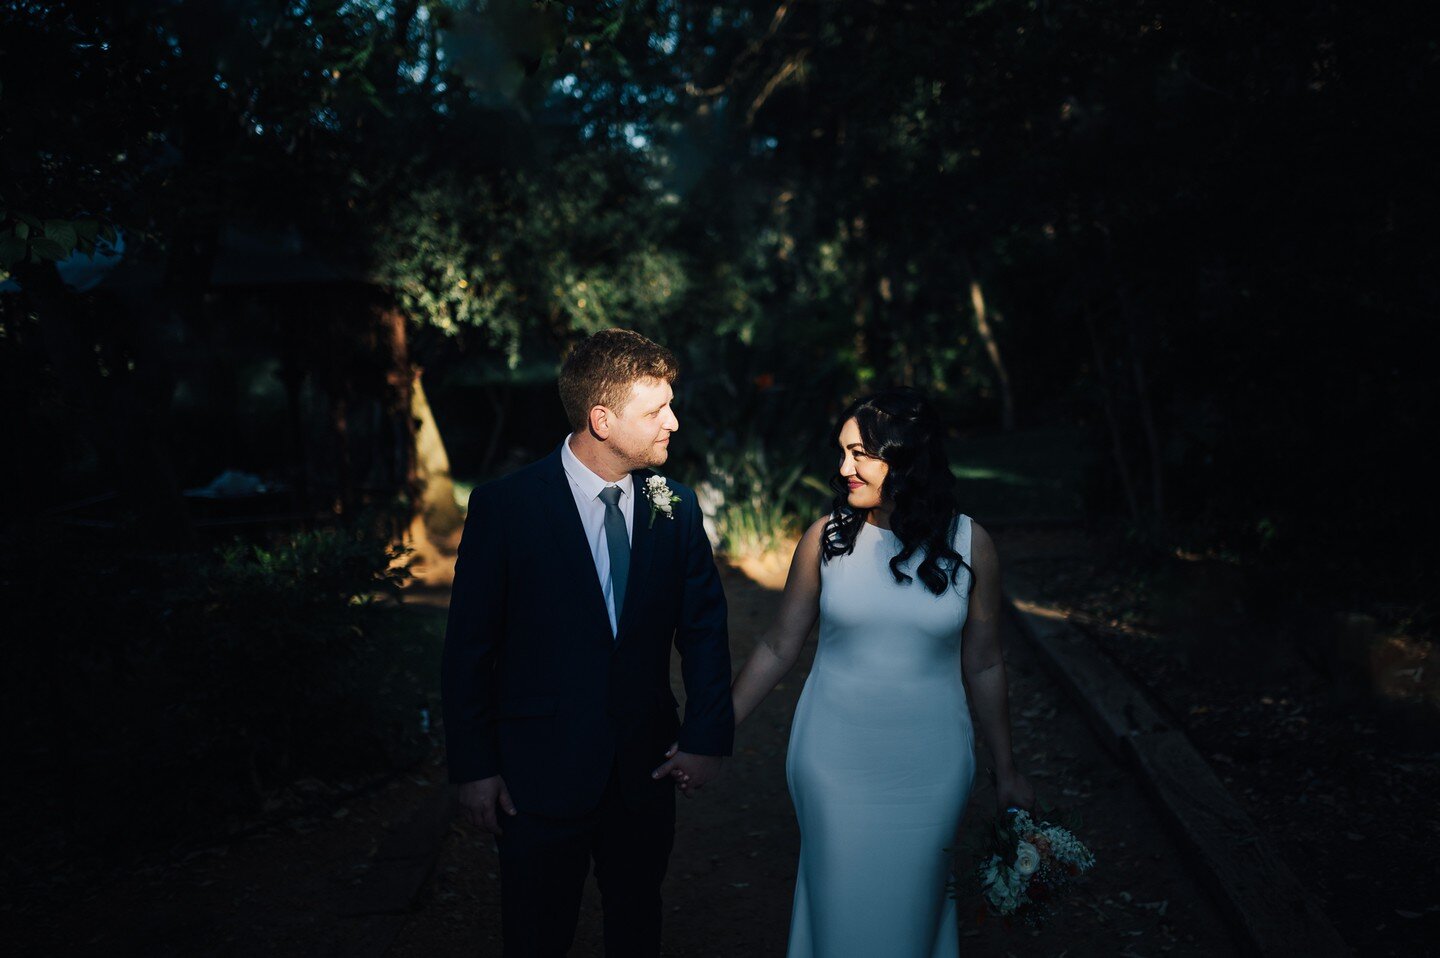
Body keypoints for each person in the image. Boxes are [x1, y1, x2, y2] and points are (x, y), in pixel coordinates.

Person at [441, 328, 734, 957]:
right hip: (537, 776)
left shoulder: (673, 506)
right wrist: (474, 766)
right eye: (655, 411)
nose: (673, 423)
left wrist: (708, 736)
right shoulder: (505, 508)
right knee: (535, 933)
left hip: (643, 770)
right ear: (601, 419)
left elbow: (705, 629)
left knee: (637, 924)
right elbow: (469, 647)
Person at [728, 387, 1034, 957]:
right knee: (842, 915)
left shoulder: (971, 544)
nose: (843, 468)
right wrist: (716, 727)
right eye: (841, 452)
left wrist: (1007, 769)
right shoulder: (826, 540)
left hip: (932, 770)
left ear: (905, 456)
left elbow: (986, 661)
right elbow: (777, 645)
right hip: (832, 764)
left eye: (859, 453)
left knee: (911, 921)